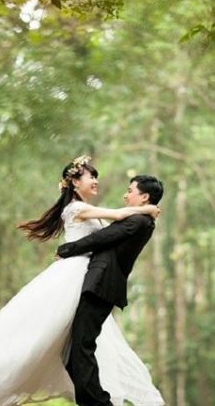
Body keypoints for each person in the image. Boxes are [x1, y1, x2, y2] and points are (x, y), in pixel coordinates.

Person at [0, 156, 165, 406]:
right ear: (75, 183)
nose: (96, 181)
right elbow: (118, 216)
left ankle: (94, 398)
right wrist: (147, 208)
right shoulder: (76, 209)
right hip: (74, 277)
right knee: (55, 341)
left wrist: (144, 212)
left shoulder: (100, 215)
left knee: (77, 346)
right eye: (91, 176)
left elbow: (111, 231)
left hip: (87, 278)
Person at [57, 174, 164, 406]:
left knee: (81, 350)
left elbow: (101, 238)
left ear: (144, 197)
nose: (125, 195)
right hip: (97, 284)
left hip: (101, 285)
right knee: (76, 352)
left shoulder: (139, 222)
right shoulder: (141, 219)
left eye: (130, 190)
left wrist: (66, 249)